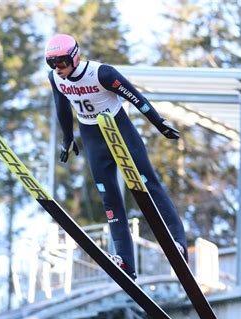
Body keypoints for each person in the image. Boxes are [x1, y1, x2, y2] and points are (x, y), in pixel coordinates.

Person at [46, 34, 187, 280]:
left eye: (61, 63)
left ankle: (178, 243)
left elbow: (136, 97)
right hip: (92, 137)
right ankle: (124, 261)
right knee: (109, 198)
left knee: (147, 185)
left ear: (74, 57)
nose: (58, 69)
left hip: (119, 130)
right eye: (52, 64)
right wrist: (67, 139)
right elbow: (62, 108)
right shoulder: (56, 80)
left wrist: (159, 124)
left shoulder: (103, 74)